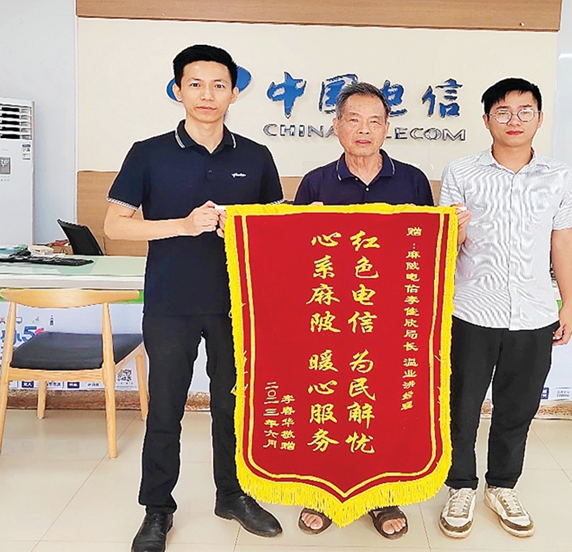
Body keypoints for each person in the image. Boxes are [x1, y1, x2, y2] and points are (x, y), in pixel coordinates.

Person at [103, 44, 284, 552]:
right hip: (170, 302)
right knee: (165, 409)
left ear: (234, 93)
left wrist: (247, 229)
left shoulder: (256, 155)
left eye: (219, 85)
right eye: (196, 84)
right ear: (178, 90)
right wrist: (182, 226)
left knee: (235, 407)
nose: (208, 95)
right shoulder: (148, 152)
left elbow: (275, 228)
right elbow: (115, 225)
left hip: (238, 305)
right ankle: (157, 509)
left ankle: (234, 495)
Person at [437, 78, 572, 540]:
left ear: (539, 119)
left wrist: (568, 304)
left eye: (525, 111)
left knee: (517, 408)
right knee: (460, 406)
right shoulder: (461, 172)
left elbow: (563, 241)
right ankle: (460, 486)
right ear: (487, 120)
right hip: (471, 312)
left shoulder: (559, 176)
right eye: (503, 112)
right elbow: (445, 247)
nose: (514, 120)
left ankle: (502, 485)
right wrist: (456, 231)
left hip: (534, 313)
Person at [293, 82, 433, 539]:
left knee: (384, 405)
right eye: (353, 120)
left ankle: (381, 495)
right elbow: (295, 253)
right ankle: (324, 492)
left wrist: (454, 229)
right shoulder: (315, 182)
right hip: (330, 321)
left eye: (375, 121)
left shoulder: (412, 181)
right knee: (328, 402)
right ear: (336, 126)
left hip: (390, 320)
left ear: (387, 128)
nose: (364, 130)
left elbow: (426, 251)